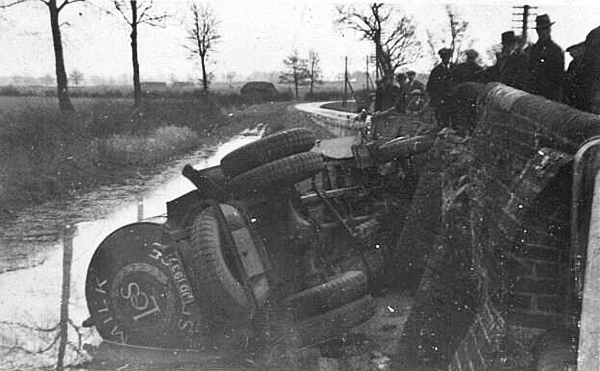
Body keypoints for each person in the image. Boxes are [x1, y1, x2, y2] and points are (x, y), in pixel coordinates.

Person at [526, 14, 564, 101]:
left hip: (549, 94)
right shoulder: (533, 49)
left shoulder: (556, 50)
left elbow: (557, 76)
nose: (542, 32)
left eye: (545, 29)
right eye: (539, 29)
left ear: (549, 30)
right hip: (532, 92)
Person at [427, 48, 454, 128]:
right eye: (444, 58)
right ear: (441, 58)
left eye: (448, 57)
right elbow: (430, 86)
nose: (446, 59)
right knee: (442, 119)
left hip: (452, 99)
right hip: (440, 100)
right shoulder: (436, 71)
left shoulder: (454, 68)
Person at [563, 41, 587, 110]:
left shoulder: (587, 62)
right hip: (573, 93)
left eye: (574, 50)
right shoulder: (573, 63)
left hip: (582, 94)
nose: (571, 53)